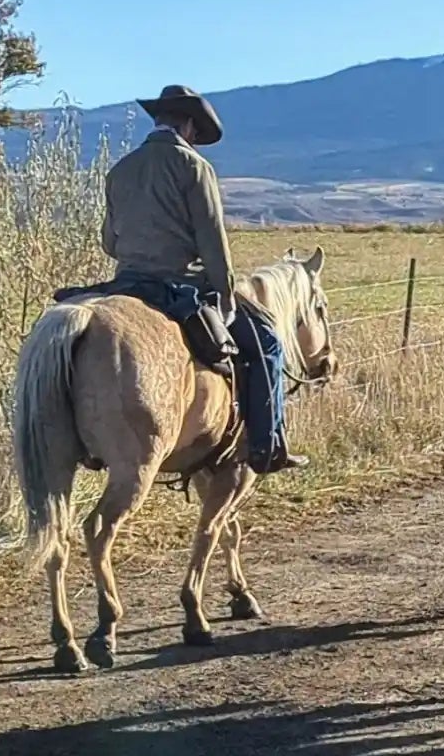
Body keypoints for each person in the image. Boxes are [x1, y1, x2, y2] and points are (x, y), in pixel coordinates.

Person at [101, 85, 306, 474]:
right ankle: (267, 445)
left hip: (126, 282)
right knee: (266, 343)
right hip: (180, 286)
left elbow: (110, 242)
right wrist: (226, 293)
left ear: (160, 120)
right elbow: (212, 241)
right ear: (191, 126)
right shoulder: (194, 167)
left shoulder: (120, 170)